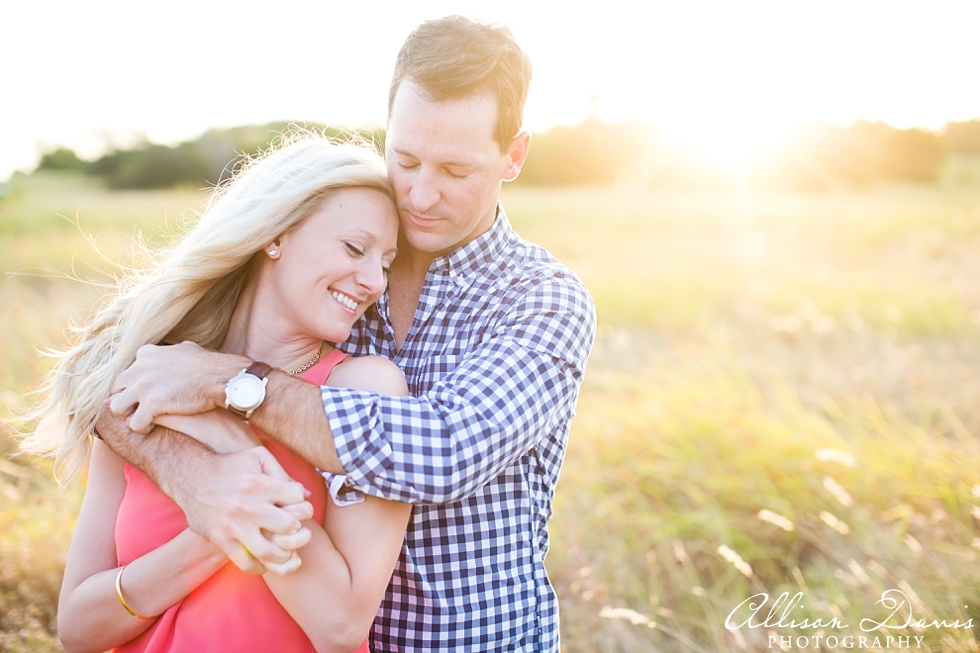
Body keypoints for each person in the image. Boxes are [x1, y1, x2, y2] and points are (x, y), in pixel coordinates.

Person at [100, 15, 596, 652]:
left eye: (455, 170)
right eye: (406, 158)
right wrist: (196, 475)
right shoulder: (337, 265)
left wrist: (230, 384)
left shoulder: (541, 299)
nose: (421, 193)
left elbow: (441, 453)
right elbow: (112, 387)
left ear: (514, 156)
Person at [21, 136, 413, 653]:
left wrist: (222, 438)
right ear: (275, 234)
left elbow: (340, 627)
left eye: (386, 263)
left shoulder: (365, 390)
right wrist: (209, 532)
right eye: (355, 248)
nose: (373, 282)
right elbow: (77, 627)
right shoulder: (154, 379)